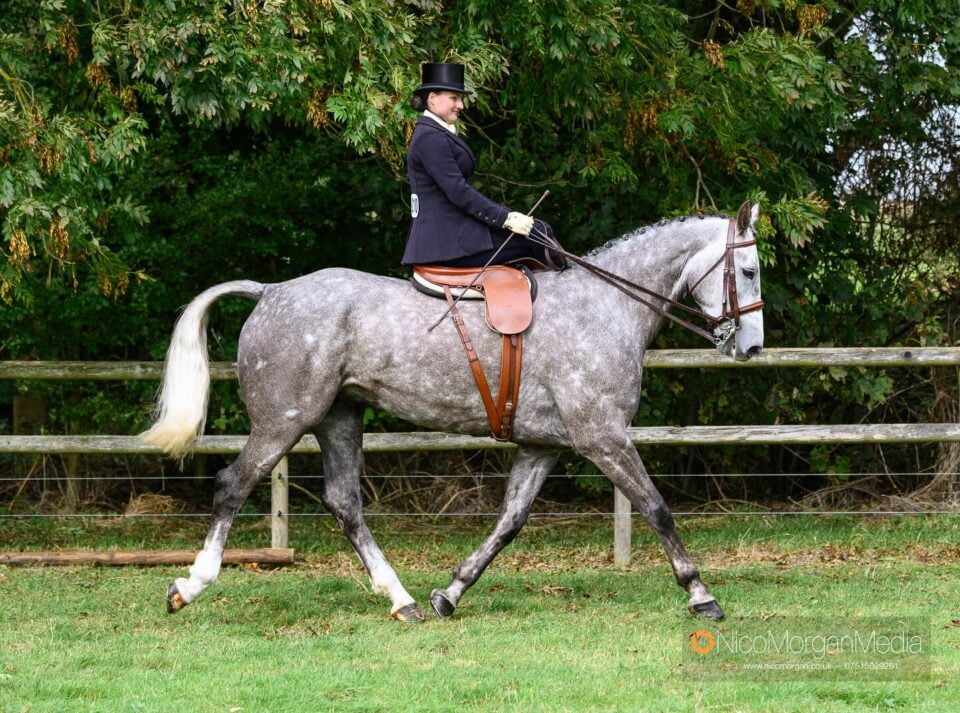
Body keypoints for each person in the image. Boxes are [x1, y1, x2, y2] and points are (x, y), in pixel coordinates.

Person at [400, 63, 564, 269]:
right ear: (432, 98)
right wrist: (504, 218)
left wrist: (505, 216)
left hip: (455, 234)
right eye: (454, 98)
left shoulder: (435, 132)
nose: (461, 105)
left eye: (460, 99)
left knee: (539, 229)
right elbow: (458, 191)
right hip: (446, 243)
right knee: (537, 235)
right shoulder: (429, 137)